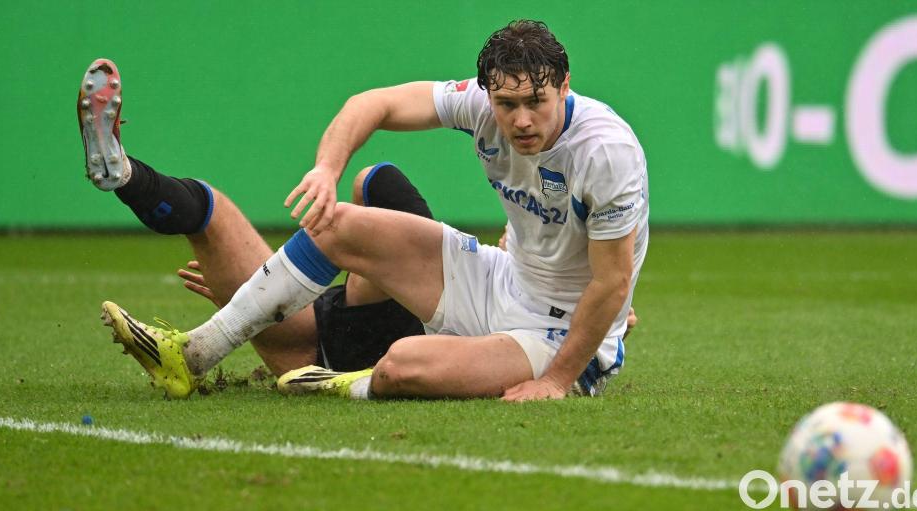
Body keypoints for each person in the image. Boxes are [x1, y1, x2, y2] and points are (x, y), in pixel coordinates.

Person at [95, 19, 649, 402]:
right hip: (504, 280)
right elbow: (374, 103)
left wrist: (555, 381)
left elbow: (613, 282)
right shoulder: (479, 105)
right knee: (334, 222)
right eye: (507, 104)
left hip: (559, 332)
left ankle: (345, 383)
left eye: (536, 102)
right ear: (488, 95)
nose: (522, 119)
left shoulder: (605, 152)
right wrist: (326, 170)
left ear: (564, 86)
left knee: (403, 364)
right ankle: (191, 355)